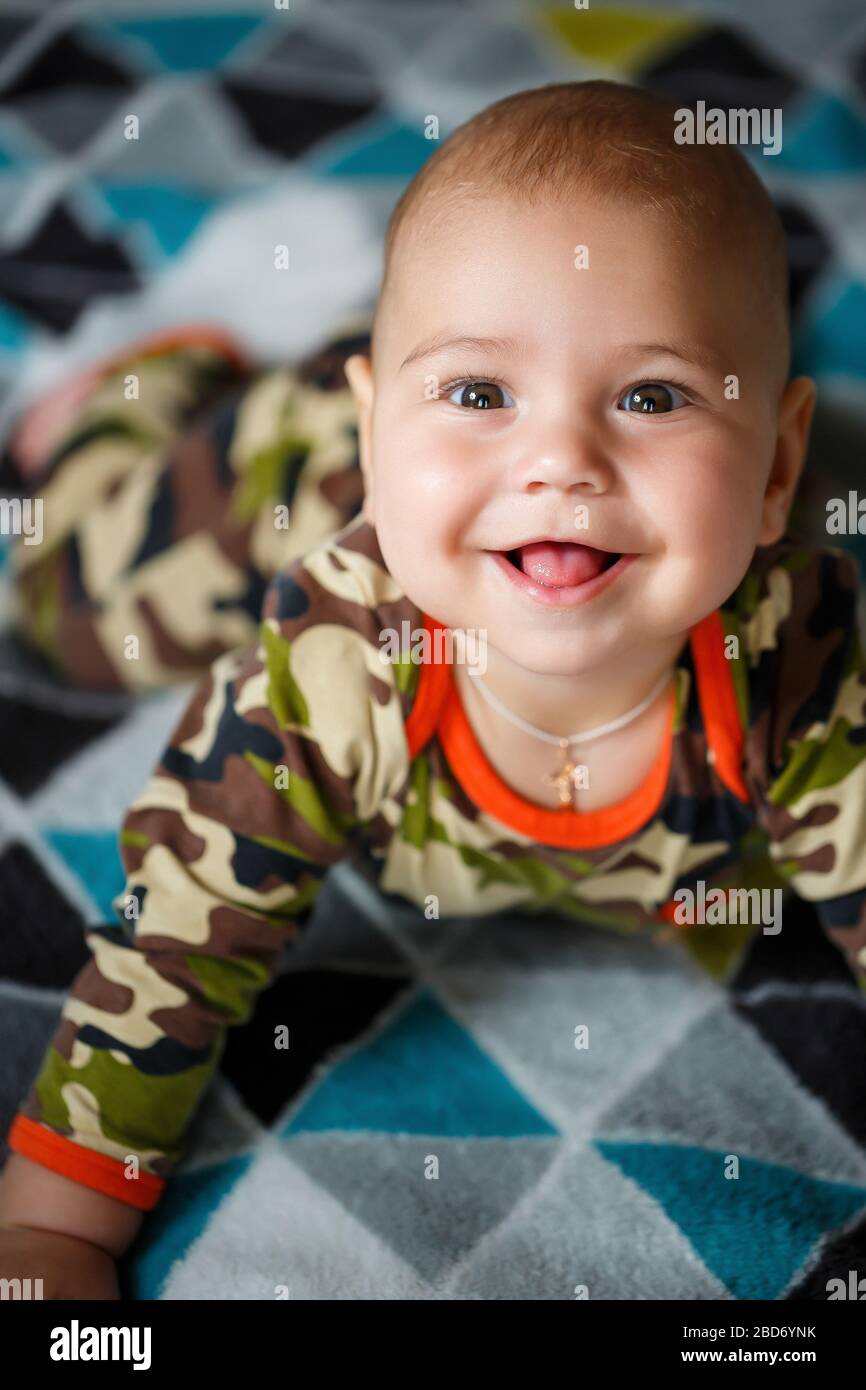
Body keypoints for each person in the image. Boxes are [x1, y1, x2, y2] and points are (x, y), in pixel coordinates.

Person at [1, 79, 864, 1300]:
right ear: (381, 427)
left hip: (450, 453)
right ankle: (150, 385)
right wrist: (55, 1231)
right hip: (280, 483)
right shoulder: (326, 679)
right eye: (482, 393)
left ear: (775, 467)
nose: (561, 459)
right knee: (79, 613)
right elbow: (175, 946)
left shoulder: (797, 672)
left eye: (650, 395)